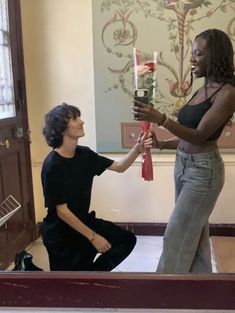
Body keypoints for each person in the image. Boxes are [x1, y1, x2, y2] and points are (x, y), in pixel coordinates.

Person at [132, 28, 235, 273]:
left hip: (203, 172)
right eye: (192, 53)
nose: (192, 59)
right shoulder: (203, 88)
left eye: (198, 54)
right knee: (195, 234)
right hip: (184, 165)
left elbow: (200, 136)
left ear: (216, 57)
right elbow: (189, 136)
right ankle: (199, 291)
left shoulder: (228, 92)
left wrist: (162, 119)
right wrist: (161, 144)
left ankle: (165, 294)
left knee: (176, 235)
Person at [41, 103, 152, 271]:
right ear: (60, 127)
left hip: (83, 221)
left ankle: (93, 277)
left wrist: (138, 149)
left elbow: (120, 167)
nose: (82, 121)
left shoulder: (84, 154)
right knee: (67, 286)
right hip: (60, 234)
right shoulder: (52, 165)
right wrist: (93, 237)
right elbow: (62, 211)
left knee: (126, 240)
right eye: (75, 118)